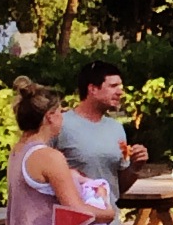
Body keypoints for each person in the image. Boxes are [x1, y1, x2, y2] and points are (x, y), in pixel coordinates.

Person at [5, 84, 117, 225]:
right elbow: (77, 210)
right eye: (60, 112)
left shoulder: (18, 151)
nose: (63, 117)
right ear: (50, 116)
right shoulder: (49, 156)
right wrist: (108, 213)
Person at [56, 61, 150, 210]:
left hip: (109, 224)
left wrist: (135, 167)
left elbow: (117, 188)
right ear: (92, 89)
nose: (120, 92)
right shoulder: (61, 125)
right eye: (113, 86)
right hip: (75, 224)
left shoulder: (116, 128)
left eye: (120, 86)